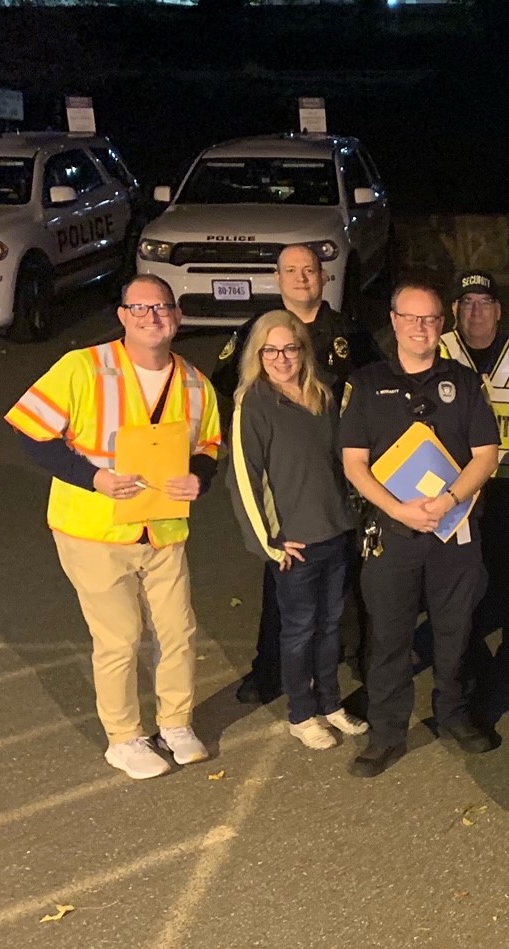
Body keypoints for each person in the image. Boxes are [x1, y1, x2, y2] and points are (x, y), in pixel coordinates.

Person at [3, 275, 221, 779]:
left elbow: (208, 446)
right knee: (120, 638)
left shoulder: (193, 382)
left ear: (177, 316)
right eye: (139, 308)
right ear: (121, 316)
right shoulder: (84, 367)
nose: (152, 317)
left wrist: (200, 480)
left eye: (162, 307)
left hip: (163, 528)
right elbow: (30, 433)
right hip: (93, 528)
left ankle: (176, 722)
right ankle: (123, 737)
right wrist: (94, 477)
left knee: (179, 631)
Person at [339, 280, 501, 777]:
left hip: (454, 532)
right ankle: (387, 733)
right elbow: (353, 464)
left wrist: (451, 499)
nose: (421, 328)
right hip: (393, 532)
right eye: (411, 318)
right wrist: (399, 510)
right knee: (388, 638)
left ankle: (452, 714)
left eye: (430, 319)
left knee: (455, 633)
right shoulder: (366, 384)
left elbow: (486, 456)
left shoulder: (465, 382)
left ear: (442, 324)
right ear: (393, 321)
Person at [214, 243, 376, 707]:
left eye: (310, 269)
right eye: (291, 270)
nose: (302, 277)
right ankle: (269, 674)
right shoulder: (255, 331)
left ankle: (351, 670)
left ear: (324, 276)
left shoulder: (347, 330)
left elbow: (376, 388)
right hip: (285, 491)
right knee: (283, 596)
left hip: (340, 482)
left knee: (347, 591)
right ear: (277, 278)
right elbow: (222, 386)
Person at [227, 309, 367, 751]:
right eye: (271, 350)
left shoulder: (324, 394)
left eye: (290, 348)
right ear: (259, 354)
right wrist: (268, 541)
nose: (282, 358)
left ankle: (329, 703)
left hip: (335, 531)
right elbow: (244, 479)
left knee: (330, 627)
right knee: (299, 630)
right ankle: (301, 713)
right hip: (295, 544)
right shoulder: (253, 402)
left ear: (303, 350)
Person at [440, 272, 509, 669]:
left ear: (499, 311)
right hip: (456, 495)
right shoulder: (436, 353)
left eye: (484, 303)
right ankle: (467, 663)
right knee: (462, 588)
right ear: (454, 310)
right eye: (467, 303)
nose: (476, 312)